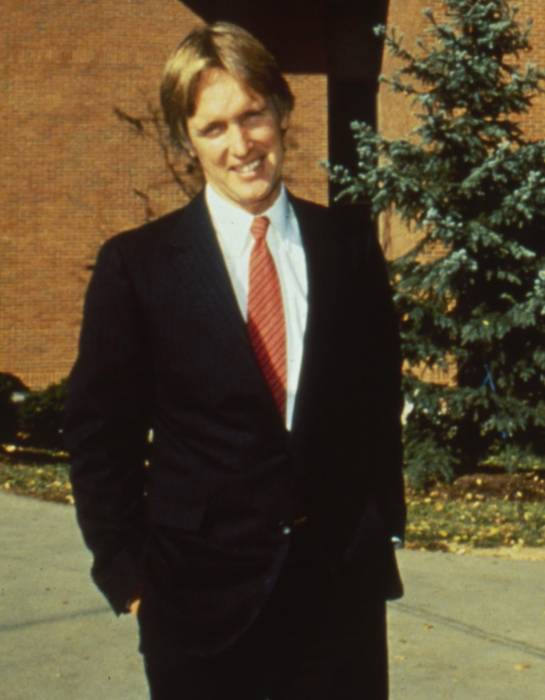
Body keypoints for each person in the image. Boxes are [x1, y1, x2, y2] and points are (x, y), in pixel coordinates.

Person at [64, 21, 406, 700]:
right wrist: (130, 579)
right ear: (186, 141)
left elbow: (373, 402)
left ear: (281, 112)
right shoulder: (138, 267)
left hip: (337, 602)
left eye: (252, 116)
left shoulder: (346, 246)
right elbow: (100, 435)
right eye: (214, 127)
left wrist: (381, 528)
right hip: (198, 608)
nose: (241, 144)